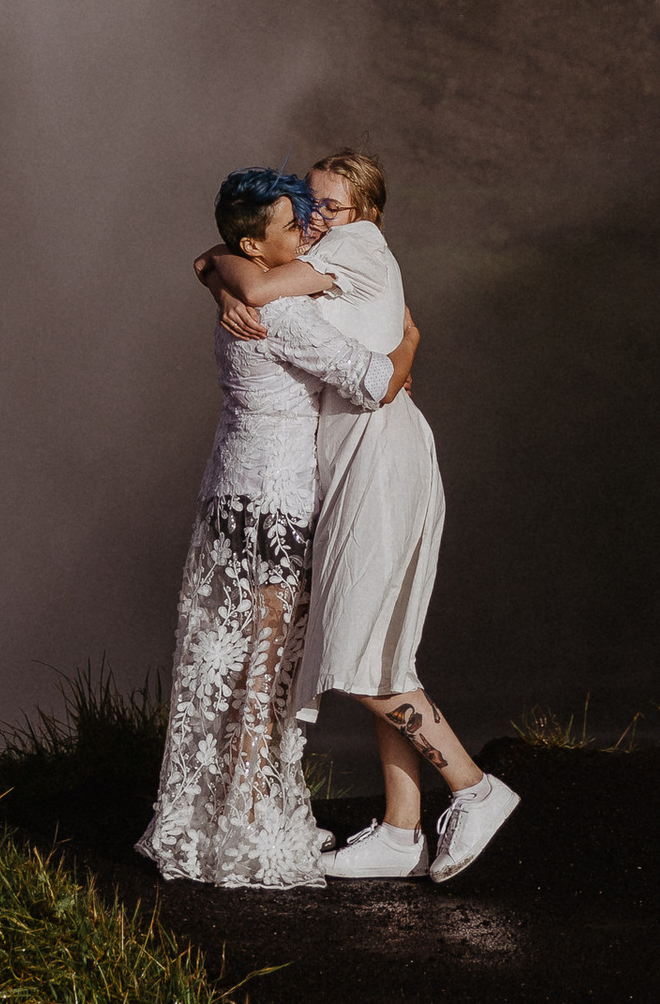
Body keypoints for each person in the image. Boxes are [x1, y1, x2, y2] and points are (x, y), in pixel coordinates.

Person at [198, 149, 520, 884]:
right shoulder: (334, 249)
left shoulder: (356, 245)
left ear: (366, 213)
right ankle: (402, 833)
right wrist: (220, 273)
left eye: (331, 206)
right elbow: (236, 269)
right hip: (357, 455)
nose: (315, 217)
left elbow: (252, 277)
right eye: (309, 203)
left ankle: (474, 788)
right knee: (380, 649)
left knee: (355, 648)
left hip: (378, 453)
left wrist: (224, 272)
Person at [138, 168, 420, 890]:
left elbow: (214, 260)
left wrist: (216, 272)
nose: (308, 235)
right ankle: (248, 832)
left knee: (221, 666)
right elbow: (372, 382)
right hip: (274, 510)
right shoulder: (282, 311)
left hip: (225, 501)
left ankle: (208, 823)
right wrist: (411, 342)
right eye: (293, 226)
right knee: (264, 678)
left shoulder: (240, 291)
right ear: (254, 245)